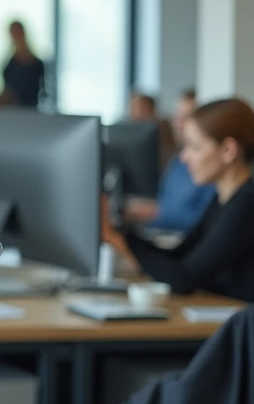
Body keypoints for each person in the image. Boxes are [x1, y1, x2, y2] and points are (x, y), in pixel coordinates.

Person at [103, 97, 254, 301]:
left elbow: (185, 278)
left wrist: (117, 239)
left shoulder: (246, 203)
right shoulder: (223, 198)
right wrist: (122, 235)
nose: (184, 158)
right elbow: (180, 255)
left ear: (228, 150)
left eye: (194, 147)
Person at [125, 88, 215, 231]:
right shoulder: (178, 161)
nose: (179, 125)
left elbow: (202, 219)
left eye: (187, 118)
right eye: (177, 117)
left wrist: (152, 214)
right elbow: (165, 204)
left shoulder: (209, 166)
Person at [1, 20, 45, 108]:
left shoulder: (37, 64)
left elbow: (42, 92)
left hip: (31, 111)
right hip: (13, 111)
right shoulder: (9, 65)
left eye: (17, 32)